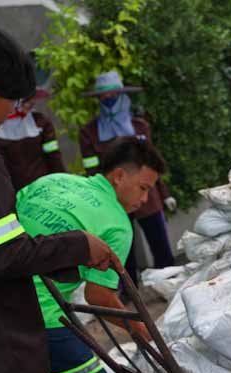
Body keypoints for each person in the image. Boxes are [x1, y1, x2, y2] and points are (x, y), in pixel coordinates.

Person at [0, 27, 121, 373]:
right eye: (11, 100)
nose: (13, 113)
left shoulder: (38, 130)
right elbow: (2, 254)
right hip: (7, 355)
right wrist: (78, 244)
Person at [16, 136, 166, 373]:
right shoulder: (117, 223)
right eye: (143, 188)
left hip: (5, 310)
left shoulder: (52, 181)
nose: (144, 199)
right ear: (118, 177)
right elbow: (98, 296)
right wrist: (143, 331)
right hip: (46, 320)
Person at [79, 71, 176, 285]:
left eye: (114, 95)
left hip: (147, 196)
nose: (109, 100)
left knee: (159, 242)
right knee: (123, 247)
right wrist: (100, 203)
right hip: (115, 200)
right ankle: (127, 290)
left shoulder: (140, 127)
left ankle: (171, 282)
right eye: (104, 97)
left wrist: (164, 193)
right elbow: (92, 171)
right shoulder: (90, 133)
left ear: (123, 96)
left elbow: (153, 165)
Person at [0, 87, 66, 191]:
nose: (31, 105)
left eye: (32, 102)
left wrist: (63, 183)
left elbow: (54, 157)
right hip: (12, 192)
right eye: (27, 102)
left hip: (44, 188)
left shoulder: (40, 122)